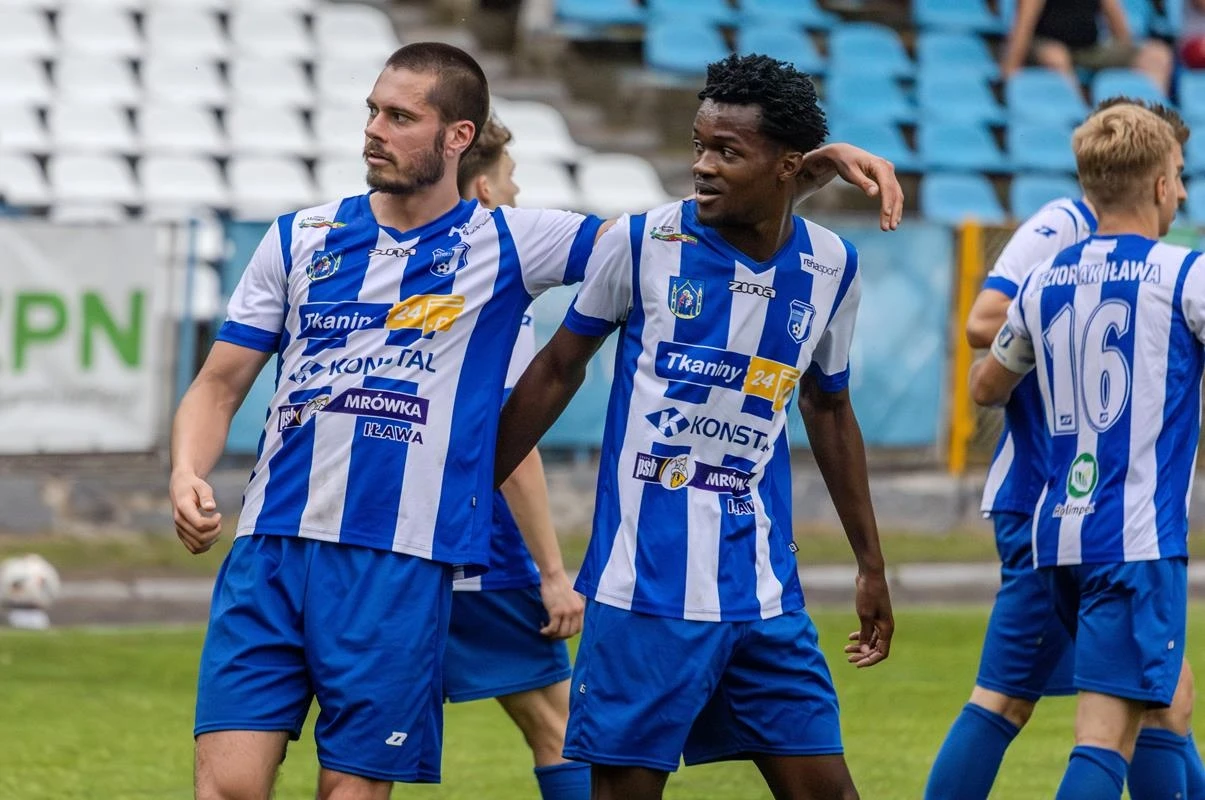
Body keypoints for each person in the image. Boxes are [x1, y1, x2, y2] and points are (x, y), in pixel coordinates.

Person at [169, 40, 905, 799]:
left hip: (399, 558)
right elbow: (219, 383)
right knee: (227, 789)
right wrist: (187, 469)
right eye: (372, 112)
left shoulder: (513, 242)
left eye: (398, 116)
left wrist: (806, 171)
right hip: (270, 546)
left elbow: (685, 231)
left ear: (457, 136)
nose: (373, 130)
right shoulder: (298, 238)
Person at [494, 53, 894, 800]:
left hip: (763, 591)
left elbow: (829, 407)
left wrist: (870, 565)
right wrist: (469, 492)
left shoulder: (832, 266)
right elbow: (556, 369)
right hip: (642, 589)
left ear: (787, 166)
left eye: (726, 152)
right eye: (699, 146)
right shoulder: (642, 242)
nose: (702, 167)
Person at [927, 96, 1205, 800]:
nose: (1180, 191)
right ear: (1158, 184)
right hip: (1133, 537)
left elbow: (985, 386)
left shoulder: (1040, 285)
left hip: (1057, 533)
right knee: (1105, 737)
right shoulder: (1183, 274)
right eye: (1177, 176)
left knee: (1164, 702)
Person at [447, 115, 589, 800]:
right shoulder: (496, 279)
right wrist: (553, 573)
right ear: (482, 189)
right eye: (509, 178)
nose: (517, 191)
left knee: (355, 733)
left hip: (382, 533)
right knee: (560, 726)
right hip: (481, 546)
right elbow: (511, 443)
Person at [1001, 0, 1173, 93]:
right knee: (1057, 56)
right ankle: (1080, 119)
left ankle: (1153, 123)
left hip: (1090, 48)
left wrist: (1126, 53)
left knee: (1157, 55)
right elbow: (1024, 24)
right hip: (1044, 44)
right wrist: (1009, 74)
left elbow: (1116, 19)